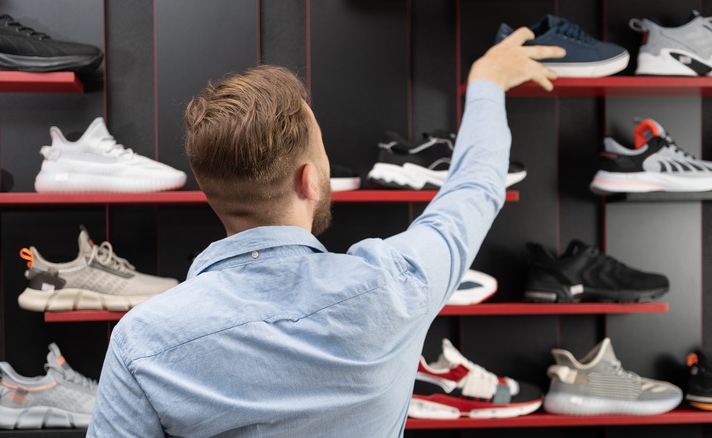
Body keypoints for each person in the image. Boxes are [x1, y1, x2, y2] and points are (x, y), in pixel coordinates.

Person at [87, 28, 564, 437]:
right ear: (309, 179)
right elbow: (476, 190)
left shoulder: (142, 342)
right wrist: (487, 82)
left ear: (210, 191)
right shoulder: (397, 285)